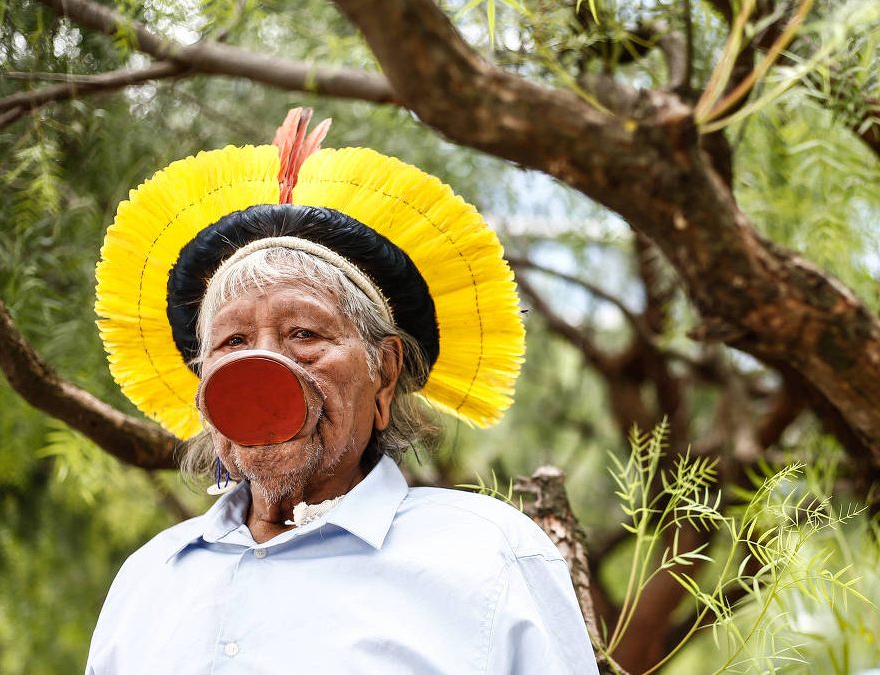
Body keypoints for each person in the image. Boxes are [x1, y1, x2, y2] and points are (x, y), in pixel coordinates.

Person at [85, 109, 599, 674]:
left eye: (304, 333)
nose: (262, 363)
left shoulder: (489, 556)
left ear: (382, 372)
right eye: (232, 342)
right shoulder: (148, 579)